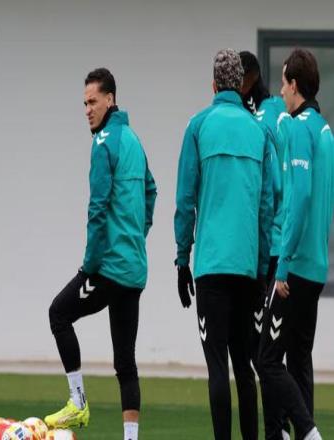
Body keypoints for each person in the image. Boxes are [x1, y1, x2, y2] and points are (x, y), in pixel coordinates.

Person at [45, 68, 157, 440]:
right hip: (134, 270)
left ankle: (78, 402)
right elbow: (152, 191)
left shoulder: (104, 143)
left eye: (93, 102)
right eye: (84, 103)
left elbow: (97, 210)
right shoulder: (134, 140)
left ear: (110, 100)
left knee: (58, 313)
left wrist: (90, 266)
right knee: (125, 362)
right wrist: (137, 234)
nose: (87, 110)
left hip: (107, 269)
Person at [174, 49, 273, 440]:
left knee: (217, 367)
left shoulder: (198, 126)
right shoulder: (259, 132)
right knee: (244, 367)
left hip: (212, 267)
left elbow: (186, 200)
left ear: (214, 85)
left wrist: (182, 258)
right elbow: (267, 207)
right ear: (241, 85)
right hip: (247, 268)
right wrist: (263, 268)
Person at [257, 48, 333, 440]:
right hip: (316, 265)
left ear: (296, 85)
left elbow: (299, 198)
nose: (281, 92)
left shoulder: (300, 128)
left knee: (267, 359)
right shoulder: (324, 130)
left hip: (296, 267)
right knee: (300, 357)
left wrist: (283, 265)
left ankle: (306, 431)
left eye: (285, 83)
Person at [239, 50, 291, 440]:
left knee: (264, 352)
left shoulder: (265, 116)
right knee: (266, 351)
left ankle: (280, 430)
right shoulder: (270, 112)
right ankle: (281, 428)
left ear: (248, 79)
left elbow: (274, 186)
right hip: (267, 247)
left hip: (270, 251)